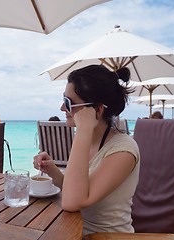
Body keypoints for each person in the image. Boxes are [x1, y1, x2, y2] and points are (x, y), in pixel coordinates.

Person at [33, 65, 140, 235]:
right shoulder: (88, 140)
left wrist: (83, 131)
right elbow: (78, 190)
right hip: (73, 231)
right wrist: (53, 170)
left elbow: (72, 201)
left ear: (97, 110)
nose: (62, 108)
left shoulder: (124, 150)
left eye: (69, 102)